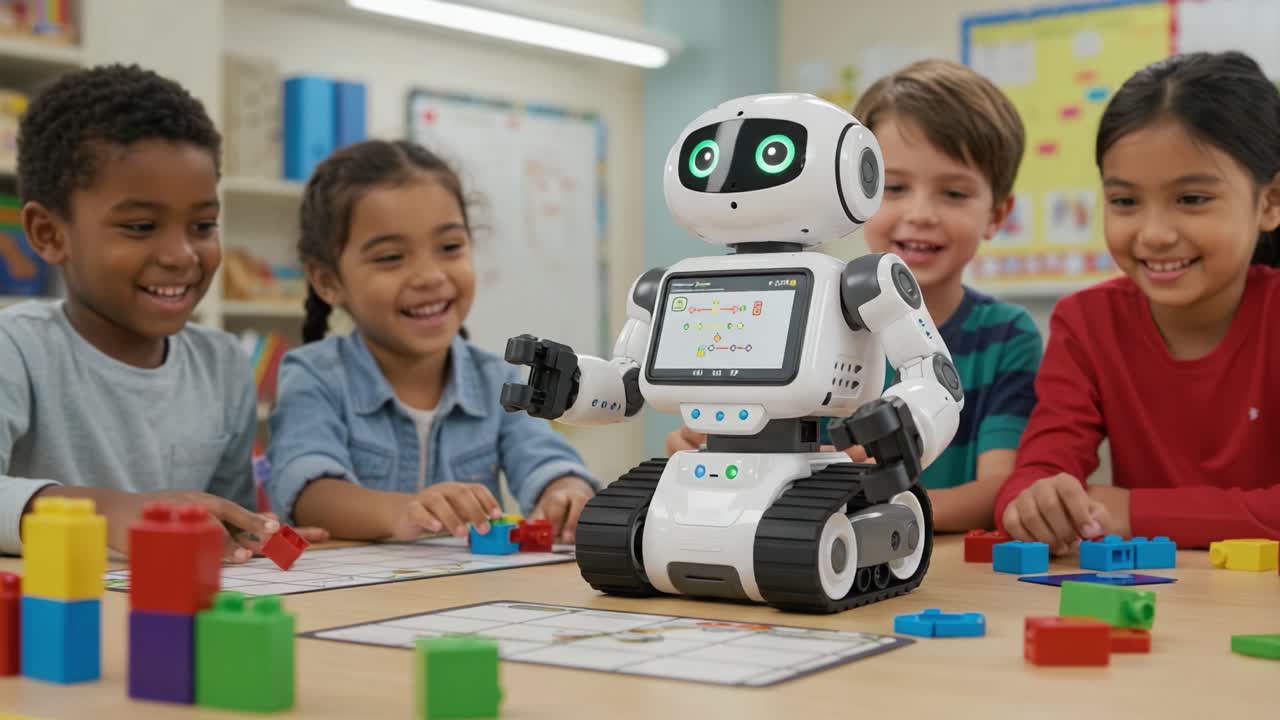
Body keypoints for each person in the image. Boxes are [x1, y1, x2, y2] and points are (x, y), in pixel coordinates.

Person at [997, 51, 1280, 552]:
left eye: (1192, 199)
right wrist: (1038, 501)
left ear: (1270, 202)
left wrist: (1136, 510)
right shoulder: (1086, 323)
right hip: (1151, 596)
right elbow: (1035, 475)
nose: (1154, 234)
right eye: (1125, 201)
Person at [268, 140, 598, 544]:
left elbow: (545, 459)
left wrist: (565, 490)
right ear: (328, 280)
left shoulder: (497, 379)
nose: (429, 276)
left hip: (469, 598)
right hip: (355, 600)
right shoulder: (314, 375)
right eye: (390, 257)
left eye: (450, 247)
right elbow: (309, 491)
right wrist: (402, 512)